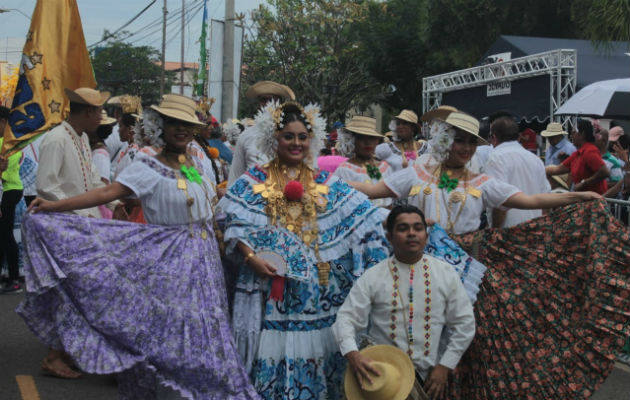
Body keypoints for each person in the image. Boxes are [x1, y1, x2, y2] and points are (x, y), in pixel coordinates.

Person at [20, 94, 259, 399]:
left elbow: (206, 206)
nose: (181, 130)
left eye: (186, 124)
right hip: (171, 263)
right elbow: (109, 191)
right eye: (174, 123)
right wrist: (56, 207)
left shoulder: (190, 164)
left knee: (204, 331)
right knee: (172, 332)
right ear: (160, 125)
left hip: (204, 262)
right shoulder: (147, 164)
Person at [218, 101, 390, 399]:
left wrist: (411, 222)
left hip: (319, 292)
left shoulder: (324, 181)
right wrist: (252, 257)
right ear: (274, 139)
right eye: (288, 136)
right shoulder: (255, 180)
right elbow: (233, 222)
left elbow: (365, 214)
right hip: (269, 287)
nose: (296, 143)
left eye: (302, 137)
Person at [333, 205, 475, 400]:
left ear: (426, 235)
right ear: (389, 237)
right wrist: (352, 354)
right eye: (402, 228)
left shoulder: (445, 273)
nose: (411, 234)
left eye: (418, 228)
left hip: (429, 379)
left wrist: (445, 365)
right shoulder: (374, 276)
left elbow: (465, 323)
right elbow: (346, 318)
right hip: (383, 380)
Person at [484, 114, 550, 228]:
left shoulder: (495, 158)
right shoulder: (535, 159)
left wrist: (495, 232)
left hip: (508, 232)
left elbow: (500, 201)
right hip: (535, 230)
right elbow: (547, 199)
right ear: (518, 137)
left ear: (493, 138)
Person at [227, 81, 295, 185]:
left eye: (272, 99)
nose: (268, 104)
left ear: (280, 104)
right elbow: (235, 177)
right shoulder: (246, 136)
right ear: (258, 104)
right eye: (263, 100)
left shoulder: (292, 135)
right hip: (251, 198)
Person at [334, 115, 393, 209]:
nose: (367, 142)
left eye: (372, 138)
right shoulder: (344, 170)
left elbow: (389, 202)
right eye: (361, 137)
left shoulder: (385, 168)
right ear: (352, 140)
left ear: (377, 141)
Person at [546, 118, 609, 194]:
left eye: (573, 133)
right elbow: (557, 170)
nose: (571, 136)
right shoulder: (577, 153)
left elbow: (604, 172)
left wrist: (584, 183)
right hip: (584, 199)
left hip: (593, 200)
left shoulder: (589, 151)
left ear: (582, 134)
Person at [0, 105, 24, 294]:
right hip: (10, 189)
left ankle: (14, 279)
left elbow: (4, 173)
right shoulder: (13, 142)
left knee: (6, 235)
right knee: (3, 235)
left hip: (8, 190)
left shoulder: (8, 143)